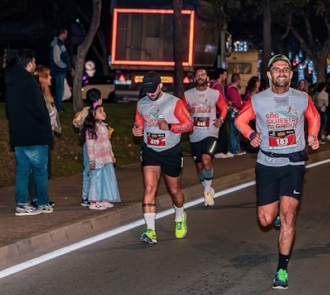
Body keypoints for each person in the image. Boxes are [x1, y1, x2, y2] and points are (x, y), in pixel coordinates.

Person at [234, 54, 320, 289]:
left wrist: (313, 135)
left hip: (293, 163)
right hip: (267, 163)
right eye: (276, 69)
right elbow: (240, 121)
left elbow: (314, 117)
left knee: (289, 215)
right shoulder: (258, 100)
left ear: (291, 75)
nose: (281, 72)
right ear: (270, 74)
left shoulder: (302, 98)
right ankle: (278, 217)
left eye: (285, 69)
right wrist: (251, 135)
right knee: (265, 220)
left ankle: (282, 268)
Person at [132, 71, 193, 244]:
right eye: (147, 90)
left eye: (153, 89)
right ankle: (150, 230)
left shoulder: (174, 102)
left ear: (161, 86)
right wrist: (137, 129)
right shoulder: (141, 103)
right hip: (150, 150)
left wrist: (170, 126)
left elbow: (189, 125)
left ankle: (180, 216)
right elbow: (139, 122)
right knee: (150, 188)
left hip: (170, 151)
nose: (150, 93)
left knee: (174, 190)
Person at [5, 49, 54, 216]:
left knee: (22, 171)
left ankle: (22, 202)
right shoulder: (29, 82)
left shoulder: (11, 81)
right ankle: (42, 202)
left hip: (19, 134)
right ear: (29, 63)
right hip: (34, 134)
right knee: (40, 170)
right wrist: (45, 122)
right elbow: (38, 108)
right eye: (33, 61)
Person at [181, 67, 228, 207]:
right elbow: (181, 112)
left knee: (206, 159)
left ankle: (207, 191)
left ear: (207, 78)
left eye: (203, 74)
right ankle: (207, 187)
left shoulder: (215, 94)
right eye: (198, 75)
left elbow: (224, 107)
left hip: (211, 132)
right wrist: (187, 114)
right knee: (200, 166)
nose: (200, 76)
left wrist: (221, 119)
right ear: (195, 79)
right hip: (195, 134)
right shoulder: (188, 94)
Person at [30, 65, 61, 207]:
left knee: (44, 168)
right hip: (39, 136)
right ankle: (36, 198)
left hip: (47, 135)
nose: (50, 78)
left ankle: (41, 197)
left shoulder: (47, 95)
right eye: (47, 76)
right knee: (38, 168)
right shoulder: (38, 96)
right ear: (42, 79)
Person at [80, 104, 121, 210]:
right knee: (96, 180)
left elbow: (108, 143)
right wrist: (91, 160)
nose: (104, 113)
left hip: (106, 158)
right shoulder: (91, 130)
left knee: (106, 179)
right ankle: (94, 201)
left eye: (104, 110)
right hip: (98, 159)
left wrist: (112, 155)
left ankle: (104, 198)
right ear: (94, 114)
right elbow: (90, 146)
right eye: (100, 111)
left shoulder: (104, 126)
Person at [74, 88, 102, 207]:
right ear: (99, 99)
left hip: (87, 143)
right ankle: (92, 196)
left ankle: (86, 196)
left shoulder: (84, 111)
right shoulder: (97, 111)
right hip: (96, 144)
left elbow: (76, 122)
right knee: (94, 170)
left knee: (88, 170)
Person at [211, 68, 232, 159]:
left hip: (219, 111)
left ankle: (224, 150)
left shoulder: (217, 85)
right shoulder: (217, 85)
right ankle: (219, 151)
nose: (226, 76)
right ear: (220, 75)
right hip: (219, 112)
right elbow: (219, 98)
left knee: (223, 131)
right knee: (221, 132)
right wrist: (226, 103)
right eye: (225, 74)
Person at [49, 27, 70, 112]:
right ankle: (58, 107)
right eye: (66, 33)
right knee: (59, 89)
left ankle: (59, 106)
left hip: (60, 69)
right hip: (59, 70)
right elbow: (57, 59)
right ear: (63, 33)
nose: (67, 35)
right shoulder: (57, 44)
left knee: (60, 89)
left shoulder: (60, 43)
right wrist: (65, 67)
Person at [225, 73, 246, 156]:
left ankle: (236, 148)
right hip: (234, 112)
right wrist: (243, 105)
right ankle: (235, 149)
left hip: (233, 112)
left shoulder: (231, 89)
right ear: (238, 80)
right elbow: (236, 103)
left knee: (235, 131)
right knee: (234, 131)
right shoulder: (233, 90)